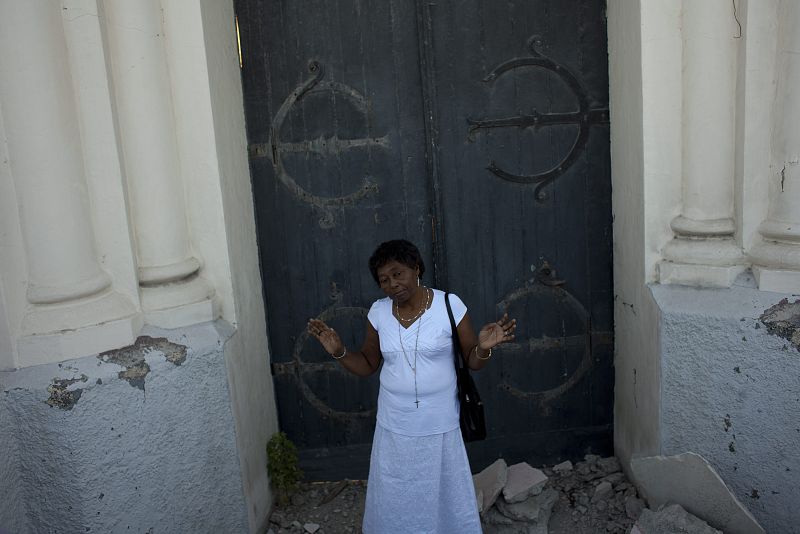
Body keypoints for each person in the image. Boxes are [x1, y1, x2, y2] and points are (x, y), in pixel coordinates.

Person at [307, 239, 516, 534]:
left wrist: (483, 348)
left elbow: (473, 361)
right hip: (395, 424)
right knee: (397, 491)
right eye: (384, 280)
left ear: (416, 268)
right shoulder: (378, 313)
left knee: (442, 491)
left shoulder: (449, 305)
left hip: (439, 422)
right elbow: (367, 364)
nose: (392, 284)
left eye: (397, 274)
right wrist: (339, 351)